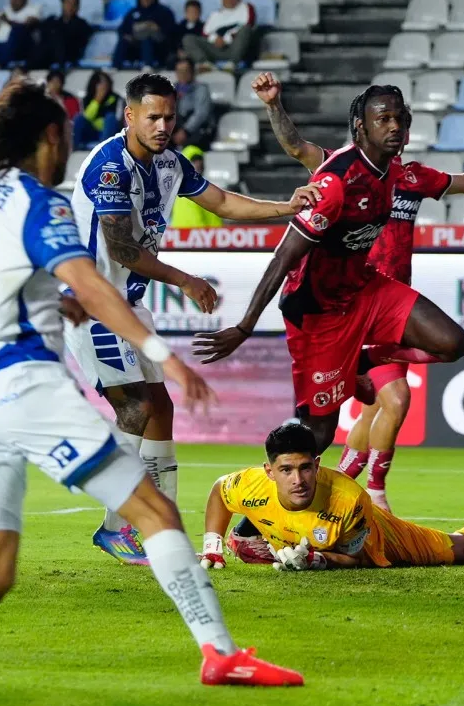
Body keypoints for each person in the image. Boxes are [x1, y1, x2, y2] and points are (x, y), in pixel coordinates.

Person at [0, 80, 304, 688]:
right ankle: (222, 655)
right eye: (65, 132)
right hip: (25, 385)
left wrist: (41, 299)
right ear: (50, 137)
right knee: (154, 511)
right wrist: (163, 357)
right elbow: (92, 283)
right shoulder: (46, 204)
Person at [194, 85, 464, 458]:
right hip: (318, 311)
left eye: (400, 118)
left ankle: (358, 363)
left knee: (453, 343)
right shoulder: (336, 180)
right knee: (316, 437)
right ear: (361, 128)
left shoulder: (403, 174)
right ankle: (264, 508)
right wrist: (244, 326)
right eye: (383, 119)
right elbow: (283, 258)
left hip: (367, 289)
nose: (394, 126)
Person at [65, 73, 318, 564]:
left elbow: (221, 202)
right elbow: (121, 247)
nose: (163, 126)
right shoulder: (110, 167)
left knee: (160, 409)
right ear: (130, 116)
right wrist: (186, 280)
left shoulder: (170, 164)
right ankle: (117, 526)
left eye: (169, 117)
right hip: (91, 301)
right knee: (135, 409)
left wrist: (285, 207)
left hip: (129, 304)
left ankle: (159, 519)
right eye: (153, 116)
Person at [198, 422, 464, 571]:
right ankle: (252, 540)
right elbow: (219, 492)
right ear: (270, 471)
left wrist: (320, 561)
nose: (297, 479)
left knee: (458, 550)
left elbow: (353, 559)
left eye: (305, 468)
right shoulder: (250, 484)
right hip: (302, 534)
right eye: (286, 470)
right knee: (246, 543)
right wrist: (213, 546)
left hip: (373, 536)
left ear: (318, 464)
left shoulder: (348, 499)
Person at [182, 0, 255, 69]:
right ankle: (205, 64)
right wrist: (215, 39)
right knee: (188, 39)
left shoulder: (246, 8)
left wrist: (226, 39)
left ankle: (232, 65)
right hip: (215, 48)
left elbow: (249, 24)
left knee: (245, 30)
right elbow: (205, 33)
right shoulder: (215, 15)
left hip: (234, 49)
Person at [112, 0, 174, 70]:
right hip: (136, 47)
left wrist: (157, 28)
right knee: (123, 41)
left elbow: (171, 31)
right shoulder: (133, 12)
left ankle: (148, 66)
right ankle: (114, 67)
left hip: (158, 47)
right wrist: (127, 36)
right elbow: (122, 30)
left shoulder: (164, 12)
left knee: (146, 39)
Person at [31, 0, 92, 69]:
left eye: (74, 4)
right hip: (49, 52)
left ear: (78, 8)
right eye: (68, 3)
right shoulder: (52, 20)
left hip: (69, 53)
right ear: (62, 5)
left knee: (58, 35)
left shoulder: (82, 24)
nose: (70, 7)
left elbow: (80, 41)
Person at [72, 69, 122, 148]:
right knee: (79, 118)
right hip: (91, 131)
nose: (103, 85)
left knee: (110, 117)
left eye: (105, 82)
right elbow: (87, 117)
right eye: (100, 83)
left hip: (110, 132)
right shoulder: (87, 98)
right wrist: (97, 100)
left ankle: (104, 150)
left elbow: (118, 119)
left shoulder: (116, 98)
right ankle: (73, 147)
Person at [172, 57, 212, 148]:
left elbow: (200, 114)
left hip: (195, 131)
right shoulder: (172, 89)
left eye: (185, 71)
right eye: (179, 71)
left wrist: (185, 131)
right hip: (175, 128)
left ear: (192, 72)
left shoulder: (201, 89)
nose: (182, 74)